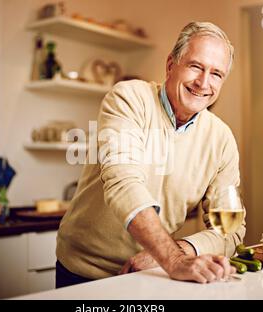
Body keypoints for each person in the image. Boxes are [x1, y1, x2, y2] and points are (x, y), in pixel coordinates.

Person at [55, 21, 245, 288]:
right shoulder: (129, 98)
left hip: (153, 274)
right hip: (85, 274)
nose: (204, 82)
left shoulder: (222, 139)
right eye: (195, 66)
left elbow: (231, 230)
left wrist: (179, 251)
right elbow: (124, 183)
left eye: (216, 74)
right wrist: (173, 259)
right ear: (170, 65)